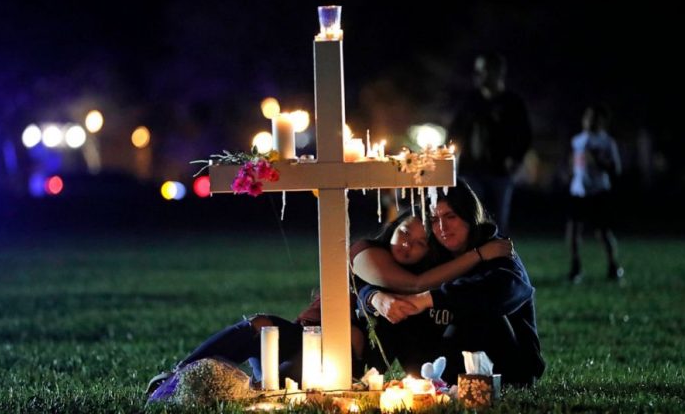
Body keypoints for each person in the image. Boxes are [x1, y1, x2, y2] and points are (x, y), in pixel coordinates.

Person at [146, 209, 513, 398]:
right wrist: (480, 255)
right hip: (304, 336)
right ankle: (175, 377)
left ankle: (239, 388)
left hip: (341, 363)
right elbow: (383, 285)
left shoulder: (421, 284)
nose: (408, 245)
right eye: (404, 233)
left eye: (420, 243)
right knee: (261, 326)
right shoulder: (367, 255)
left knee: (280, 385)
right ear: (392, 229)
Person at [359, 182, 545, 386]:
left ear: (468, 215)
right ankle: (364, 379)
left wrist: (428, 299)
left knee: (477, 307)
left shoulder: (495, 248)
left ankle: (454, 383)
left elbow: (505, 289)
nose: (442, 227)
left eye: (450, 217)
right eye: (434, 219)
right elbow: (378, 281)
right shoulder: (433, 251)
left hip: (506, 366)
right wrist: (375, 297)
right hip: (439, 364)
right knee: (395, 306)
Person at [448, 53, 532, 236]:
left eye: (483, 70)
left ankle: (499, 252)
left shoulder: (512, 102)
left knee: (499, 222)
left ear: (498, 72)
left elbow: (525, 134)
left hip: (500, 172)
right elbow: (454, 131)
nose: (478, 75)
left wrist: (515, 158)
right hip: (471, 170)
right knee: (473, 218)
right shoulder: (470, 101)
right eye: (477, 70)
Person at [568, 103, 624, 283]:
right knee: (574, 230)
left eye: (593, 117)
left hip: (599, 191)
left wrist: (598, 161)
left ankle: (613, 266)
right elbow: (574, 163)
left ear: (601, 121)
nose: (589, 121)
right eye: (587, 117)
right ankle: (576, 267)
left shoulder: (607, 142)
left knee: (603, 232)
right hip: (578, 191)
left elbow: (616, 168)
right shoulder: (577, 140)